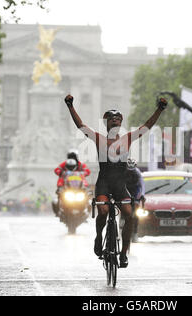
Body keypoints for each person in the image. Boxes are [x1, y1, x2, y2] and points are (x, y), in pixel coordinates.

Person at [64, 94, 167, 268]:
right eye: (112, 119)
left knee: (129, 215)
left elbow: (147, 126)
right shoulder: (99, 139)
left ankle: (124, 252)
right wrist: (70, 106)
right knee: (103, 212)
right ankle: (99, 237)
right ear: (107, 124)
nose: (115, 121)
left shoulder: (127, 139)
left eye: (118, 119)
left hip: (120, 185)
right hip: (104, 183)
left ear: (121, 123)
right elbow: (81, 126)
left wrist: (160, 109)